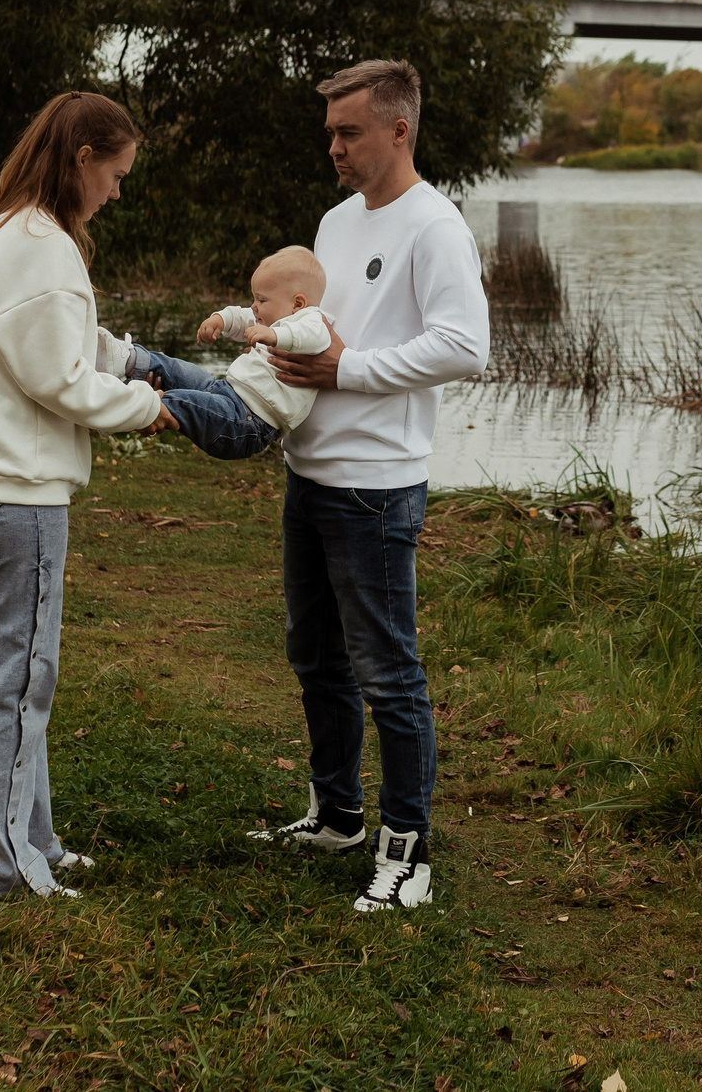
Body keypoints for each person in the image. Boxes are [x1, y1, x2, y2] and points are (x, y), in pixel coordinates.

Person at [253, 59, 488, 913]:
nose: (334, 147)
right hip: (309, 472)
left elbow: (465, 346)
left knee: (388, 673)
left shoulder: (435, 227)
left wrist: (349, 370)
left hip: (377, 489)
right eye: (330, 132)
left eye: (348, 131)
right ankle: (338, 815)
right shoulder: (335, 221)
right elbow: (314, 331)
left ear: (399, 129)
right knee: (315, 656)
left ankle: (408, 852)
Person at [0, 91, 172, 898]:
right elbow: (58, 375)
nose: (116, 189)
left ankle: (30, 837)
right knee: (13, 673)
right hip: (14, 489)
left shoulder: (16, 231)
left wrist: (133, 358)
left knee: (9, 667)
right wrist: (150, 407)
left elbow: (59, 338)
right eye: (116, 173)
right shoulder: (39, 242)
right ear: (82, 158)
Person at [132, 245, 331, 460]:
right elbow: (242, 316)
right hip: (226, 392)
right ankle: (130, 359)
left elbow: (314, 337)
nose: (254, 307)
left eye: (261, 300)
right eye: (254, 299)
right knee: (177, 370)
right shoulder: (273, 318)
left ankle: (135, 405)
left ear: (297, 303)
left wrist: (273, 336)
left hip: (247, 423)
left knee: (184, 403)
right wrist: (221, 319)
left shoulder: (312, 321)